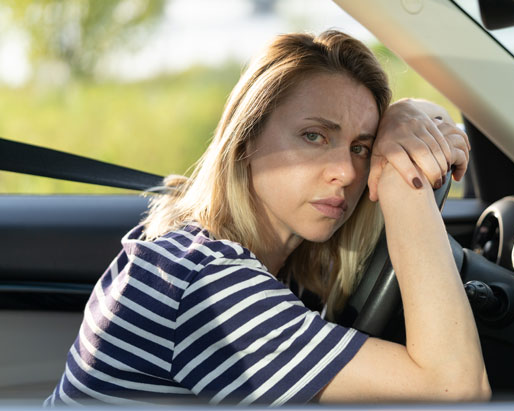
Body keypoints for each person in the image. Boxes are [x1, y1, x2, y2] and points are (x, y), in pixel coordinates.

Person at [45, 30, 490, 405]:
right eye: (314, 136)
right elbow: (455, 392)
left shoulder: (217, 251)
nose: (350, 171)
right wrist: (403, 181)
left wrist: (406, 115)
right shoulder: (207, 285)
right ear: (246, 141)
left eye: (363, 147)